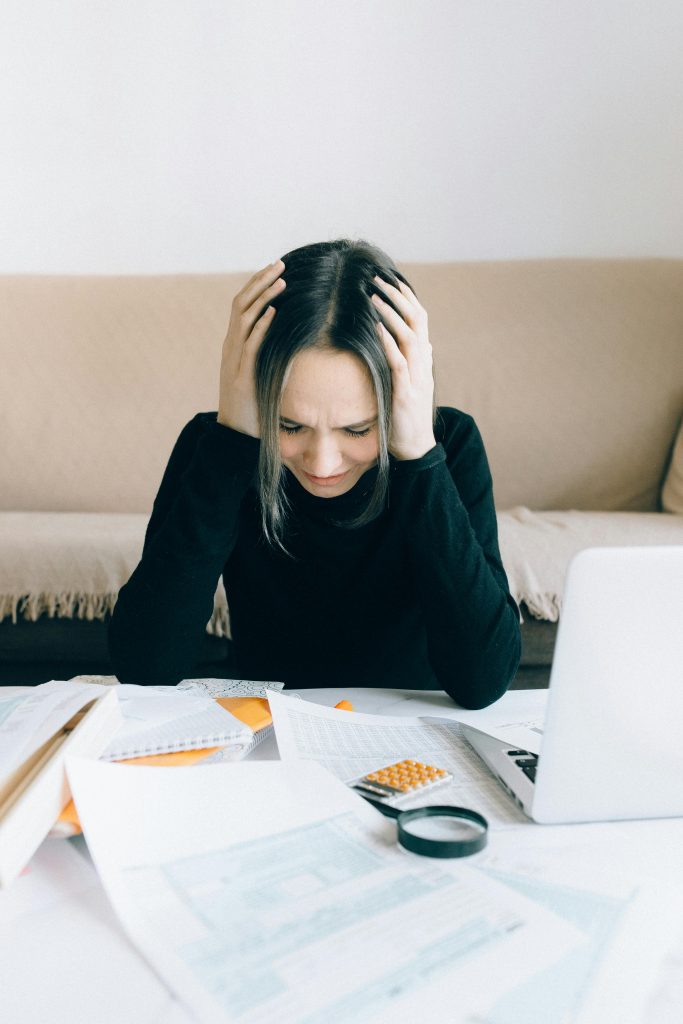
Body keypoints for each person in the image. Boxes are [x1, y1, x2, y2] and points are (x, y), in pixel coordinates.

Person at [108, 239, 521, 708]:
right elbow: (144, 670)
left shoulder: (450, 445)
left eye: (358, 428)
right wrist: (233, 441)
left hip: (413, 734)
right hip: (269, 737)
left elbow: (484, 681)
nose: (323, 464)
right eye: (290, 425)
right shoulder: (218, 446)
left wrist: (418, 456)